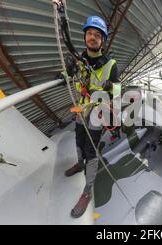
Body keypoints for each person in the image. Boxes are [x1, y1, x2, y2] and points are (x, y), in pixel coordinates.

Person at [64, 15, 120, 218]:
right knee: (78, 138)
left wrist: (110, 87)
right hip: (82, 109)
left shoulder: (111, 64)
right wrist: (68, 71)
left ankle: (87, 192)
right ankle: (80, 165)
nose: (93, 37)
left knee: (91, 150)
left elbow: (119, 90)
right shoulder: (80, 60)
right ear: (85, 36)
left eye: (97, 35)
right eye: (90, 34)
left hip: (98, 112)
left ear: (103, 40)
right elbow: (72, 79)